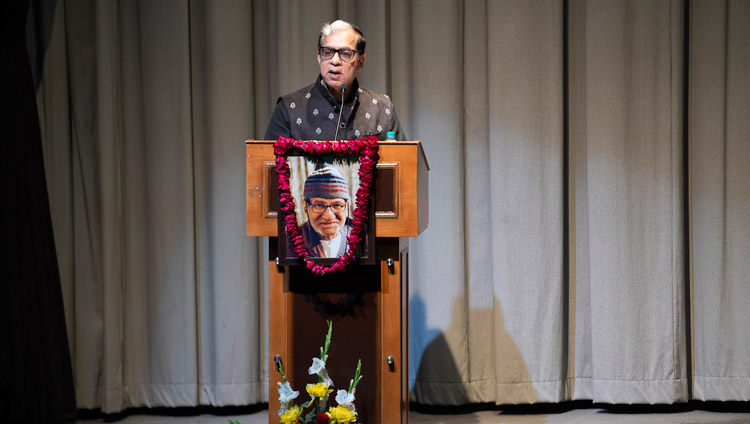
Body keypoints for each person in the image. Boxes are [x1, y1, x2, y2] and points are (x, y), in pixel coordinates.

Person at [264, 19, 405, 141]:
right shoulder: (289, 109)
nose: (335, 61)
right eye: (328, 52)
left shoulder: (382, 108)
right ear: (319, 57)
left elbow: (406, 165)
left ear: (361, 62)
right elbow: (268, 167)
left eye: (345, 54)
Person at [294, 166, 354, 258]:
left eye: (337, 205)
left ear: (347, 207)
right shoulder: (291, 242)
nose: (329, 216)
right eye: (319, 205)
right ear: (305, 207)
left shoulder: (362, 239)